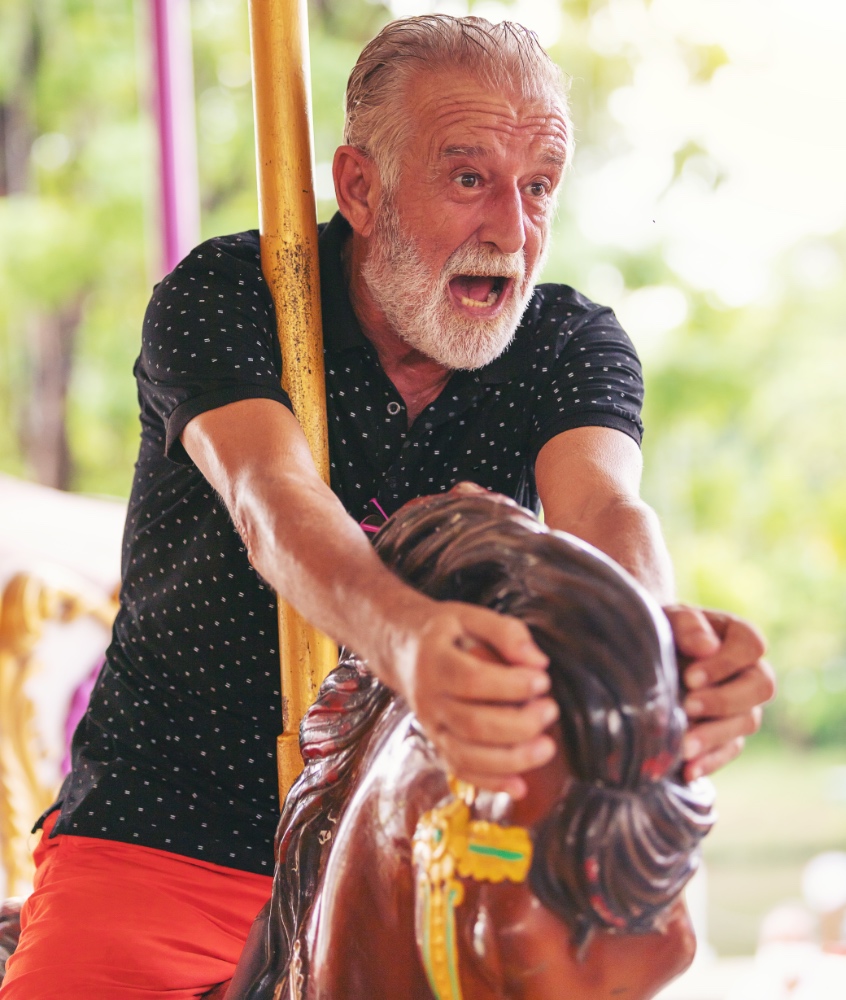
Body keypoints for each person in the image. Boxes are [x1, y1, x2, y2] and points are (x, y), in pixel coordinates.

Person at [0, 14, 775, 1000]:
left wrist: (655, 647)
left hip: (415, 844)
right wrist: (399, 638)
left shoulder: (567, 343)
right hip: (173, 835)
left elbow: (608, 512)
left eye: (538, 186)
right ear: (359, 188)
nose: (512, 227)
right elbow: (272, 497)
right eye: (469, 178)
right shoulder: (235, 296)